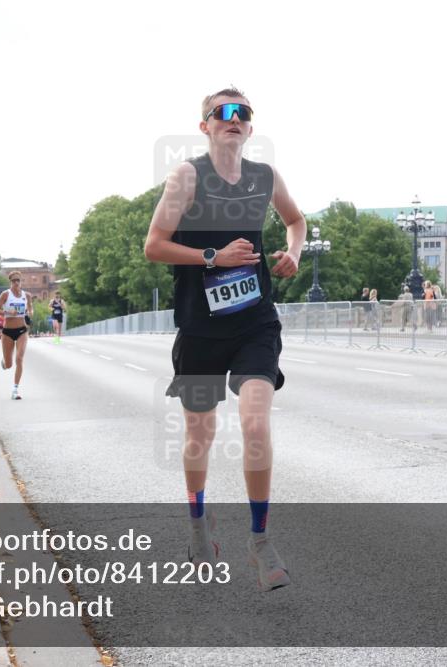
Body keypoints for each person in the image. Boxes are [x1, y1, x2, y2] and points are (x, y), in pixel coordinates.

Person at [144, 87, 305, 591]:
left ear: (250, 128)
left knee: (255, 424)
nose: (233, 120)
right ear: (206, 126)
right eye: (222, 113)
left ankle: (261, 543)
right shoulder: (187, 176)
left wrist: (294, 252)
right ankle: (198, 525)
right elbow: (154, 246)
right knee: (200, 436)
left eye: (243, 114)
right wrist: (214, 258)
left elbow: (296, 221)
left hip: (254, 319)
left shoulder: (265, 177)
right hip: (200, 326)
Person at [0, 271, 33, 400]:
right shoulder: (5, 294)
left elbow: (31, 308)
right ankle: (4, 362)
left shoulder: (27, 295)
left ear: (21, 281)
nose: (16, 283)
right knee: (9, 364)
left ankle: (15, 389)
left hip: (22, 330)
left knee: (19, 359)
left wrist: (30, 312)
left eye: (18, 280)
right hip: (8, 332)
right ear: (10, 282)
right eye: (13, 280)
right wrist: (7, 311)